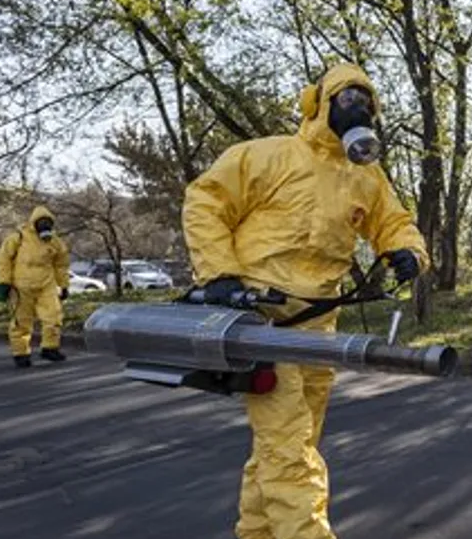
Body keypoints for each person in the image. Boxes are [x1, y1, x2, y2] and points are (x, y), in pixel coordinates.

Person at [183, 63, 427, 539]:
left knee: (288, 442)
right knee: (289, 448)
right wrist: (218, 274)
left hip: (318, 324)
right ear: (318, 102)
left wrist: (408, 252)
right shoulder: (268, 156)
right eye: (347, 96)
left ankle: (255, 532)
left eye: (366, 99)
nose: (358, 105)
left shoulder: (365, 176)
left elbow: (393, 222)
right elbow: (206, 200)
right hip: (259, 319)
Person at [0, 206, 70, 368]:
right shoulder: (18, 238)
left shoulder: (55, 242)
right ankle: (21, 353)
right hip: (21, 286)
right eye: (41, 223)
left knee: (54, 316)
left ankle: (50, 348)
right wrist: (4, 282)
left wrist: (63, 285)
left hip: (46, 284)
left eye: (48, 224)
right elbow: (4, 260)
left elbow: (61, 265)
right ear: (33, 223)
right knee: (21, 322)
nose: (45, 227)